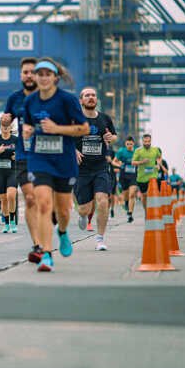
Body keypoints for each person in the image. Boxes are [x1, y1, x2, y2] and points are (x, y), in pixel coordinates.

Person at [22, 58, 88, 272]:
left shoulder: (67, 100)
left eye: (47, 74)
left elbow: (84, 128)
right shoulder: (30, 102)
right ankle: (46, 254)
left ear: (55, 78)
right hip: (39, 158)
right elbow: (28, 124)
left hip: (63, 160)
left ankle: (62, 231)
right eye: (39, 74)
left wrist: (57, 128)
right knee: (42, 204)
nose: (43, 78)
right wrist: (27, 131)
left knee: (63, 211)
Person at [1, 57, 42, 261]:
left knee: (47, 202)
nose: (29, 75)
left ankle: (58, 230)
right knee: (30, 198)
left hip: (47, 155)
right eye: (25, 72)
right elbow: (6, 119)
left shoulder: (50, 97)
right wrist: (5, 120)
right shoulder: (14, 98)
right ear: (21, 75)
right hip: (24, 155)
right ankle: (37, 245)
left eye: (33, 72)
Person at [74, 87, 117, 251]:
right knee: (84, 208)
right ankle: (82, 215)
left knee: (103, 201)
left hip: (100, 167)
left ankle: (100, 239)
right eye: (87, 95)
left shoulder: (105, 118)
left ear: (96, 99)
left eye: (93, 95)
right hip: (81, 169)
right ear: (81, 100)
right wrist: (73, 150)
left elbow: (114, 136)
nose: (91, 97)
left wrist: (111, 138)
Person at [132, 134, 162, 208]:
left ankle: (153, 208)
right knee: (144, 195)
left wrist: (158, 164)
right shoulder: (138, 150)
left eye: (148, 141)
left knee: (151, 192)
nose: (147, 143)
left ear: (151, 141)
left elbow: (159, 157)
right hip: (142, 177)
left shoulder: (155, 149)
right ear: (142, 141)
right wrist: (142, 162)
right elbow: (133, 162)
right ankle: (146, 211)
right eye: (145, 141)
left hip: (153, 175)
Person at [113, 136, 138, 222]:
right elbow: (114, 161)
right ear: (125, 144)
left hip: (134, 176)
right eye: (128, 144)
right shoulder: (121, 151)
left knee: (132, 194)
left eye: (131, 144)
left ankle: (130, 214)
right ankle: (127, 203)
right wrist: (119, 165)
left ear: (133, 144)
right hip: (124, 176)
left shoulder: (137, 151)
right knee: (126, 195)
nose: (129, 146)